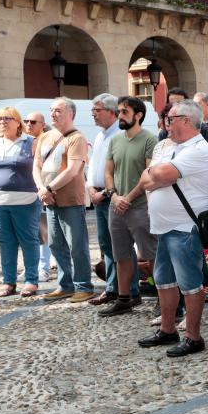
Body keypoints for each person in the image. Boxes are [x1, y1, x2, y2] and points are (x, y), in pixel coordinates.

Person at [137, 100, 208, 357]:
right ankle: (168, 330)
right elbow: (146, 179)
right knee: (164, 280)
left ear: (185, 120)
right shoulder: (166, 146)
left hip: (185, 226)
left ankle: (194, 336)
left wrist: (156, 175)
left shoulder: (198, 148)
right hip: (164, 226)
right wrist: (155, 175)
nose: (166, 123)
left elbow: (160, 175)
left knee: (190, 283)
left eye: (170, 119)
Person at [99, 96, 158, 317]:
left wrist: (128, 198)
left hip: (140, 207)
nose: (120, 115)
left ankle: (164, 299)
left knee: (151, 254)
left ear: (138, 115)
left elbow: (148, 175)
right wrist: (114, 196)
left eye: (124, 111)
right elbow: (108, 172)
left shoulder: (149, 140)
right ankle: (125, 298)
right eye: (119, 111)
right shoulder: (115, 140)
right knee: (121, 255)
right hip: (117, 207)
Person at [34, 97, 94, 303]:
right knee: (56, 245)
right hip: (49, 200)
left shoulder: (76, 138)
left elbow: (73, 170)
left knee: (76, 245)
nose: (53, 114)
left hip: (70, 200)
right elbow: (36, 166)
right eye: (51, 110)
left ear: (71, 114)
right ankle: (65, 285)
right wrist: (42, 189)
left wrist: (49, 188)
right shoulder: (45, 137)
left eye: (58, 110)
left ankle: (84, 286)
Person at [0, 107, 40, 297]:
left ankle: (31, 280)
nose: (2, 122)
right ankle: (9, 282)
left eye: (7, 118)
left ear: (18, 122)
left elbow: (39, 168)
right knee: (6, 242)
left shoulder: (30, 142)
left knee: (28, 240)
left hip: (25, 200)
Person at [86, 94, 133, 306]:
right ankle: (113, 287)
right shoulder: (100, 136)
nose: (94, 114)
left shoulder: (120, 136)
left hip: (112, 197)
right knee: (106, 244)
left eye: (98, 110)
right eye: (93, 110)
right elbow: (94, 166)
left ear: (112, 112)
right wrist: (89, 187)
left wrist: (104, 193)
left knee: (121, 246)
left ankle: (129, 289)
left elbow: (118, 172)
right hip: (98, 195)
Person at [23, 111, 51, 283]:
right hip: (26, 192)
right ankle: (31, 266)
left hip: (42, 191)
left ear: (42, 124)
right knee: (29, 232)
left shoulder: (47, 140)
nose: (28, 124)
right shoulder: (25, 142)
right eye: (26, 121)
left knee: (43, 232)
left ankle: (43, 267)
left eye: (33, 121)